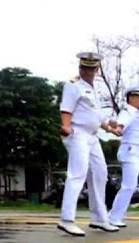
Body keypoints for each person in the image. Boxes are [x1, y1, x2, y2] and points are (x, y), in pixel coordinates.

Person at [57, 52, 119, 236]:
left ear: (97, 69)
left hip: (92, 137)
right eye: (85, 67)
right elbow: (66, 109)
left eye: (91, 68)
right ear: (80, 67)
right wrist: (65, 126)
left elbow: (94, 117)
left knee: (101, 174)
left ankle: (99, 218)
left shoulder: (94, 89)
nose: (88, 71)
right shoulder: (73, 85)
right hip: (77, 134)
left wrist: (110, 129)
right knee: (78, 173)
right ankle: (67, 219)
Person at [108, 86, 139, 228]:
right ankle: (113, 217)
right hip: (130, 150)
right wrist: (118, 129)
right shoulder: (128, 111)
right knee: (129, 186)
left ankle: (115, 217)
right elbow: (121, 124)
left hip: (134, 150)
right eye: (137, 97)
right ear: (131, 98)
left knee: (130, 186)